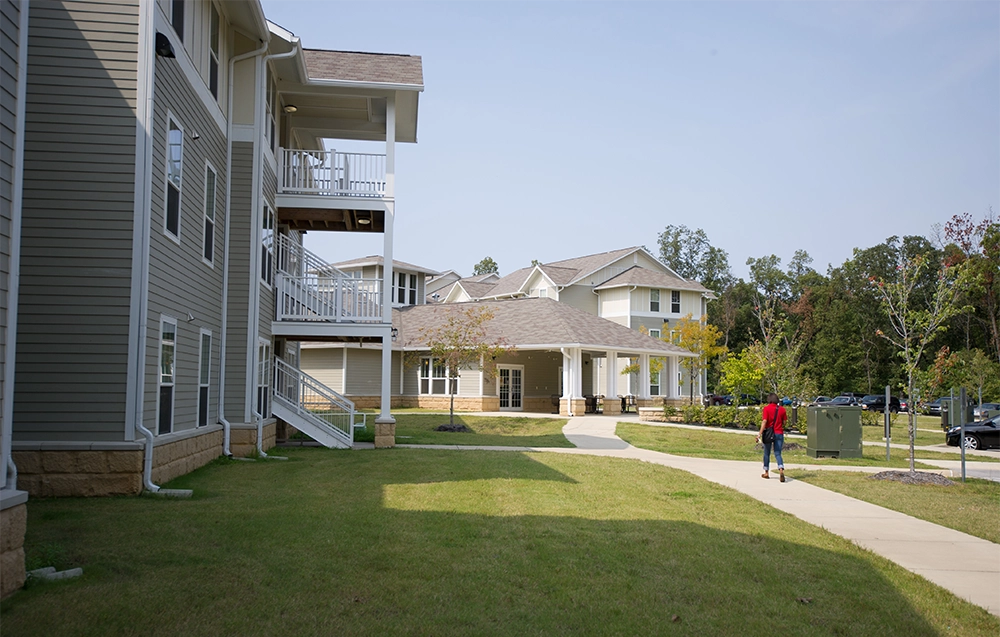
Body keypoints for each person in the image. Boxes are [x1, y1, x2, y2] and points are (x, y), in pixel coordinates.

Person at [757, 392, 787, 482]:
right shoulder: (782, 409)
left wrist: (759, 433)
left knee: (767, 453)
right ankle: (781, 469)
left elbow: (764, 421)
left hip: (769, 433)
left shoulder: (766, 409)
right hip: (779, 432)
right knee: (777, 453)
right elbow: (785, 422)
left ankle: (766, 472)